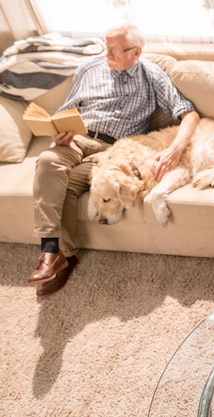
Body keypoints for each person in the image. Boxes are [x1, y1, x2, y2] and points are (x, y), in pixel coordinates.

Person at [27, 22, 200, 296]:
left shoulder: (151, 75)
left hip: (114, 151)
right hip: (77, 137)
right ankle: (49, 250)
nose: (107, 54)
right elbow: (66, 109)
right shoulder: (88, 68)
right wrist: (57, 131)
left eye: (115, 51)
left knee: (68, 185)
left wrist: (176, 149)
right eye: (106, 48)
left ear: (136, 52)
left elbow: (188, 114)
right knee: (48, 160)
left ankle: (66, 257)